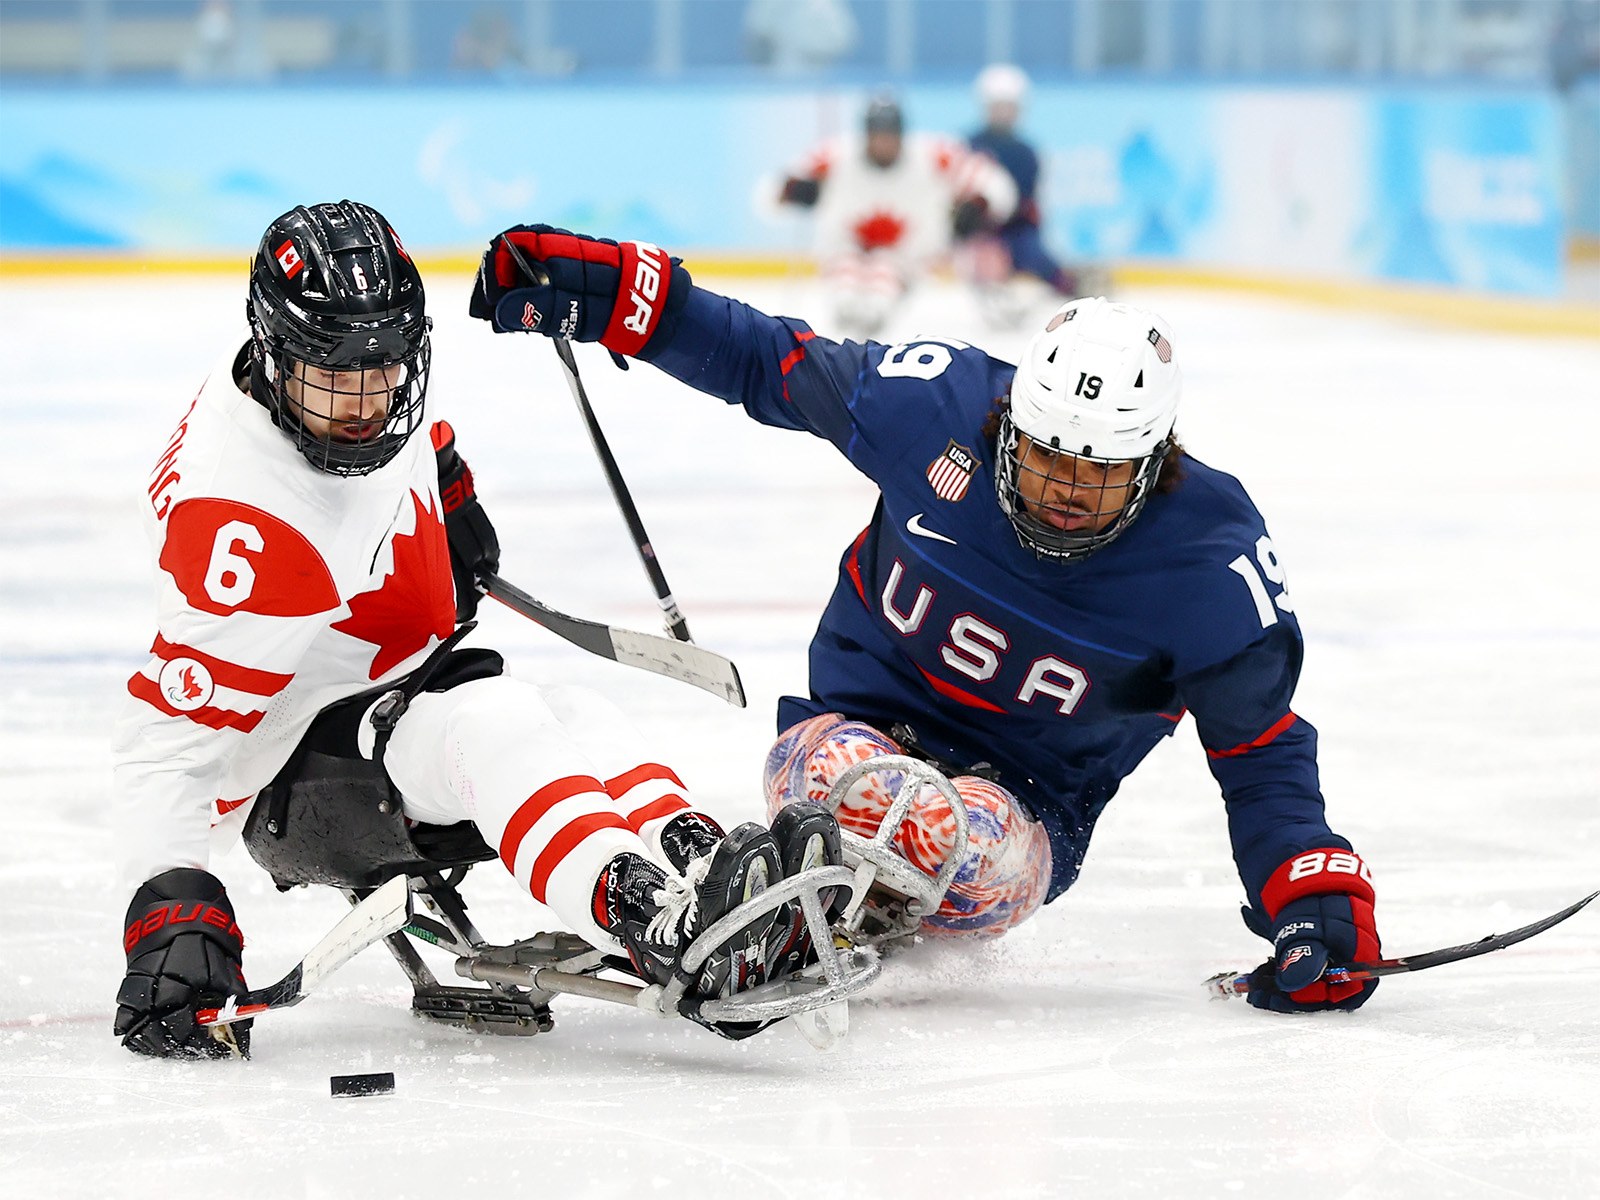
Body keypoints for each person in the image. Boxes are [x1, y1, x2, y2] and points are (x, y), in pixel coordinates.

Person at [469, 224, 1383, 1015]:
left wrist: (1310, 886)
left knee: (944, 830)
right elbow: (768, 361)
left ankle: (800, 914)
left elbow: (1260, 752)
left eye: (1098, 472)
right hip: (849, 735)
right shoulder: (934, 405)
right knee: (868, 790)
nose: (1066, 491)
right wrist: (628, 297)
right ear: (1009, 422)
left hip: (1025, 813)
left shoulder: (1210, 564)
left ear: (1154, 460)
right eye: (1046, 458)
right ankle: (775, 913)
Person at [110, 201, 836, 1059]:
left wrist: (447, 487)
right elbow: (168, 748)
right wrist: (168, 907)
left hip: (392, 691)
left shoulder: (331, 379)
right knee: (493, 727)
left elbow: (407, 426)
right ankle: (656, 924)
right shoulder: (245, 528)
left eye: (386, 371)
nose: (368, 404)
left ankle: (715, 878)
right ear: (275, 351)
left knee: (575, 712)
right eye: (338, 377)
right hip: (295, 782)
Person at [774, 94, 1017, 337]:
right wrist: (794, 190)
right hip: (842, 252)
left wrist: (978, 205)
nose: (884, 142)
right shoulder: (835, 155)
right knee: (845, 298)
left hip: (908, 258)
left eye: (890, 134)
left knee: (880, 293)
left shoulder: (933, 155)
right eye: (878, 134)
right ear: (866, 133)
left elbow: (994, 183)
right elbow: (774, 190)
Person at [964, 64, 1101, 324]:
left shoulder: (1026, 153)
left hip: (1016, 228)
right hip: (976, 233)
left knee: (1037, 258)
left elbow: (1026, 201)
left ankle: (1076, 291)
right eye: (998, 105)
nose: (1003, 113)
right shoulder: (968, 146)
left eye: (1009, 106)